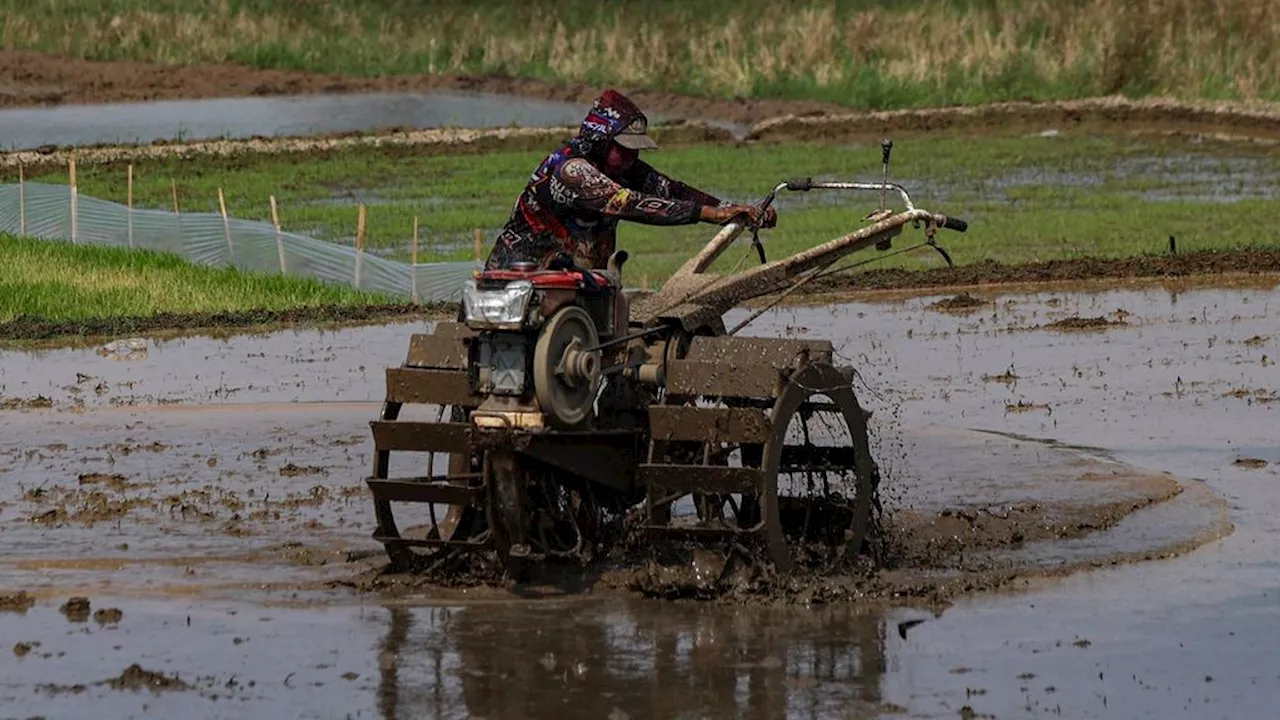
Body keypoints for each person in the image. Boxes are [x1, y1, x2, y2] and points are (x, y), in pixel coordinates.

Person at [484, 89, 776, 271]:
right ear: (600, 140)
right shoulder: (571, 170)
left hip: (578, 283)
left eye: (634, 149)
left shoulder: (624, 169)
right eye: (622, 147)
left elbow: (671, 190)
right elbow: (628, 203)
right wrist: (708, 214)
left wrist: (736, 208)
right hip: (520, 279)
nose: (630, 155)